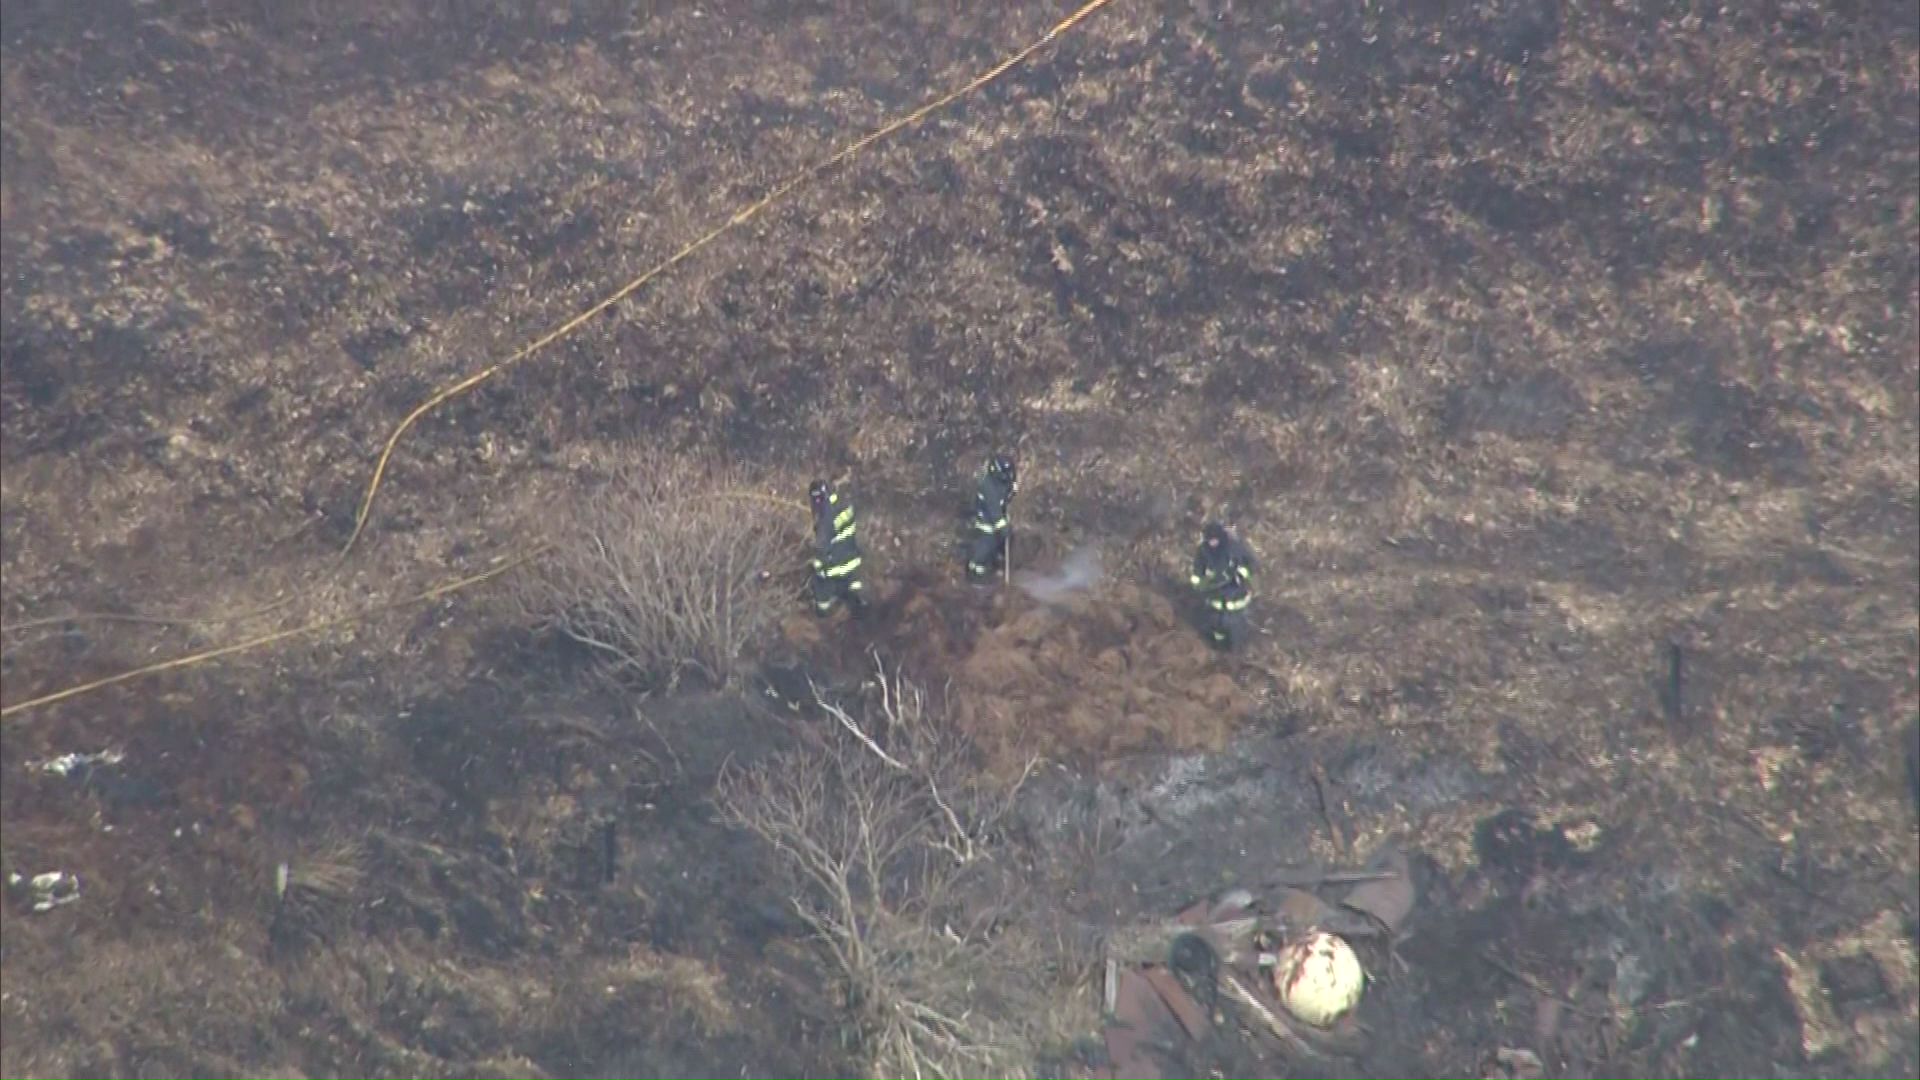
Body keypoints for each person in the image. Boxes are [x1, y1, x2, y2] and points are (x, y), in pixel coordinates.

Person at [1189, 522, 1253, 649]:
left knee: (1235, 630)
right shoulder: (1203, 551)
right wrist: (1200, 585)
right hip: (1215, 596)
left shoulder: (1234, 548)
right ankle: (1218, 649)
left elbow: (1251, 564)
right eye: (1209, 540)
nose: (1212, 543)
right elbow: (1197, 571)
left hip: (1235, 596)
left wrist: (1240, 574)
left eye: (1214, 540)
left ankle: (1236, 651)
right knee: (1215, 627)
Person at [807, 480, 867, 617]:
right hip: (852, 562)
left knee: (820, 583)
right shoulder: (843, 505)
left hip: (835, 568)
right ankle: (859, 606)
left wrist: (816, 563)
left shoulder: (825, 515)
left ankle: (823, 612)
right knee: (853, 589)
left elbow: (823, 545)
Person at [965, 454, 1019, 583]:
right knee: (985, 547)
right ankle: (975, 575)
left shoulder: (1002, 482)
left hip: (995, 521)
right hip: (985, 521)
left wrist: (1012, 491)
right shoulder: (987, 486)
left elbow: (1004, 499)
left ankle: (991, 568)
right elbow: (994, 508)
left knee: (995, 546)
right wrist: (1003, 526)